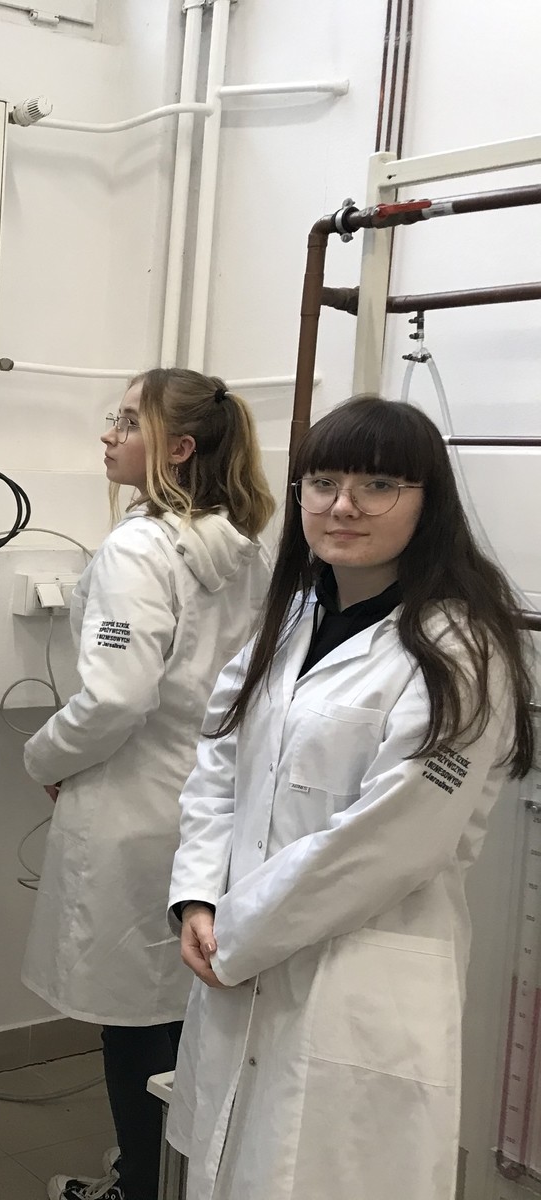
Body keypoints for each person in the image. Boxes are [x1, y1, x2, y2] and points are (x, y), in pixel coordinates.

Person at [167, 395, 535, 1200]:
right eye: (323, 482)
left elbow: (387, 842)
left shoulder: (459, 651)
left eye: (378, 485)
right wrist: (198, 895)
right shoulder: (292, 618)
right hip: (237, 958)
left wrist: (237, 934)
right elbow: (220, 763)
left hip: (358, 980)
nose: (343, 505)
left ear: (427, 503)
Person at [22, 368, 277, 1200]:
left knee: (133, 1022)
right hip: (212, 808)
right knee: (182, 1014)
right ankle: (163, 1175)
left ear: (179, 447)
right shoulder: (243, 548)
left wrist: (44, 759)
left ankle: (140, 1187)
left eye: (129, 421)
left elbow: (115, 699)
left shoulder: (138, 549)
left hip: (134, 810)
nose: (110, 433)